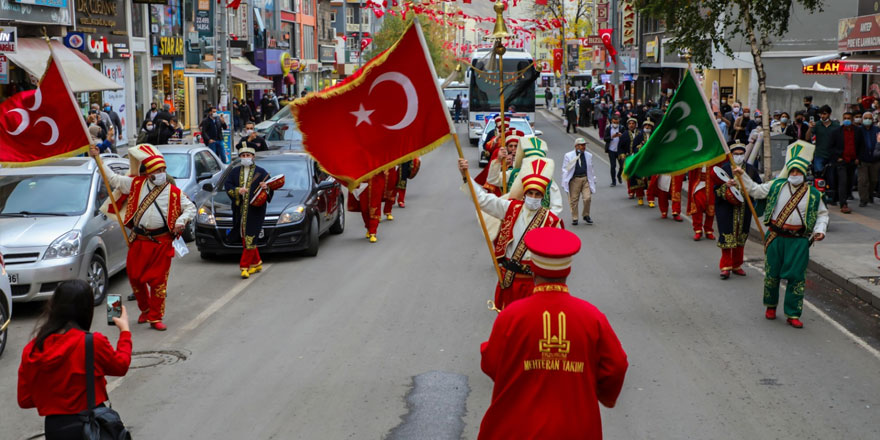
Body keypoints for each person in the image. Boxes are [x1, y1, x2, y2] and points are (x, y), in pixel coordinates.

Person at [477, 227, 628, 440]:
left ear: (534, 271)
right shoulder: (592, 317)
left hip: (519, 427)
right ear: (568, 271)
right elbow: (617, 365)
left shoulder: (511, 316)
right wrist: (598, 392)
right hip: (576, 427)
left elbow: (491, 363)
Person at [91, 144, 196, 331]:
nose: (161, 173)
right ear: (149, 172)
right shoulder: (136, 184)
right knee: (135, 278)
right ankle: (145, 309)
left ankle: (155, 317)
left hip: (161, 242)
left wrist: (181, 220)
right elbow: (114, 180)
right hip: (139, 241)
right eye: (157, 170)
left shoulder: (174, 192)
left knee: (158, 281)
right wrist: (98, 160)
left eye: (163, 169)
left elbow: (190, 208)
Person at [17, 280, 132, 440]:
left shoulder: (32, 349)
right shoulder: (92, 342)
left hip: (55, 429)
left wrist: (55, 398)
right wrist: (124, 331)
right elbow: (121, 366)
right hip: (92, 426)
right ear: (86, 310)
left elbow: (24, 400)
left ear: (54, 307)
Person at [734, 141, 829, 328]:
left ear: (804, 174)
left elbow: (822, 215)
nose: (795, 175)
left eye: (798, 172)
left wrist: (820, 231)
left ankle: (793, 313)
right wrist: (741, 175)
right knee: (772, 274)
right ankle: (770, 305)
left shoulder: (814, 195)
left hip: (799, 241)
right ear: (788, 172)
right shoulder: (776, 186)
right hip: (776, 238)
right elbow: (755, 190)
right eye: (792, 171)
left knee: (796, 278)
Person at [459, 157, 563, 310]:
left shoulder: (552, 221)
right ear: (524, 193)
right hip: (510, 281)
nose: (533, 197)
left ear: (543, 196)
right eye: (530, 193)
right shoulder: (510, 208)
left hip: (536, 284)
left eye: (537, 194)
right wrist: (465, 175)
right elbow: (482, 200)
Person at [714, 143, 761, 279]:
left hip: (744, 208)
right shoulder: (724, 169)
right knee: (727, 237)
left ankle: (737, 265)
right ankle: (725, 266)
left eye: (741, 153)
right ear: (731, 155)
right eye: (736, 154)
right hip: (727, 209)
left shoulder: (751, 170)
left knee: (741, 236)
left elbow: (758, 187)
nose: (739, 156)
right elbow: (715, 190)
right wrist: (726, 186)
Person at [224, 145, 272, 278]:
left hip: (255, 211)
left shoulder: (261, 172)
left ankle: (244, 266)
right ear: (240, 157)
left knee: (251, 237)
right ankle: (256, 263)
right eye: (243, 156)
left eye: (248, 156)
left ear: (253, 157)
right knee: (245, 237)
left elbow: (270, 188)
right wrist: (237, 191)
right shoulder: (234, 172)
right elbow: (227, 186)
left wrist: (265, 187)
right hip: (239, 210)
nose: (246, 158)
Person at [830, 111, 863, 213]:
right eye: (845, 118)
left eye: (849, 118)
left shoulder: (857, 131)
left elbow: (861, 146)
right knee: (842, 181)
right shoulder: (837, 132)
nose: (847, 120)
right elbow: (831, 147)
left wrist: (858, 158)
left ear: (852, 120)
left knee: (850, 182)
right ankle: (843, 204)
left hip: (853, 161)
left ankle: (843, 196)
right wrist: (837, 157)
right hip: (842, 161)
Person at [805, 105, 838, 202]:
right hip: (819, 154)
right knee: (819, 175)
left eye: (824, 114)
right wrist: (810, 128)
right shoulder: (817, 125)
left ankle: (831, 196)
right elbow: (807, 137)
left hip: (832, 155)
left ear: (829, 114)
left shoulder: (835, 126)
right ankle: (818, 195)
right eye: (821, 114)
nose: (822, 116)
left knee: (831, 176)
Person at [561, 138, 596, 225]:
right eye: (582, 145)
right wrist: (565, 181)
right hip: (574, 180)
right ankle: (575, 217)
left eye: (584, 145)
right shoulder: (568, 156)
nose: (584, 147)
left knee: (587, 198)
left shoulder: (589, 155)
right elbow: (565, 169)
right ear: (576, 146)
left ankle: (586, 215)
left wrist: (593, 179)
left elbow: (591, 169)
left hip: (585, 179)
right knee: (574, 200)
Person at [619, 118, 645, 202]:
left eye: (633, 123)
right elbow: (620, 147)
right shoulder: (624, 135)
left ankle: (639, 192)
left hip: (638, 157)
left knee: (638, 175)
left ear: (636, 124)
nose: (631, 125)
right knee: (629, 175)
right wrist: (622, 155)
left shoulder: (641, 133)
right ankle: (631, 191)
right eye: (629, 123)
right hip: (629, 158)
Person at [859, 112, 880, 206]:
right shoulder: (859, 130)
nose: (868, 120)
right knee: (863, 180)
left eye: (869, 118)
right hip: (862, 159)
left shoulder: (877, 130)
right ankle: (863, 199)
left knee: (874, 180)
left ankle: (870, 194)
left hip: (875, 159)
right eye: (866, 118)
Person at [603, 114, 624, 186]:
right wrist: (612, 137)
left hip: (619, 150)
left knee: (622, 166)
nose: (615, 124)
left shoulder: (622, 128)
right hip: (611, 150)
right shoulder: (608, 128)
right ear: (611, 121)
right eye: (614, 122)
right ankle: (613, 181)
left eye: (617, 123)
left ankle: (619, 175)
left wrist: (622, 136)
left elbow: (626, 137)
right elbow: (605, 138)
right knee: (613, 166)